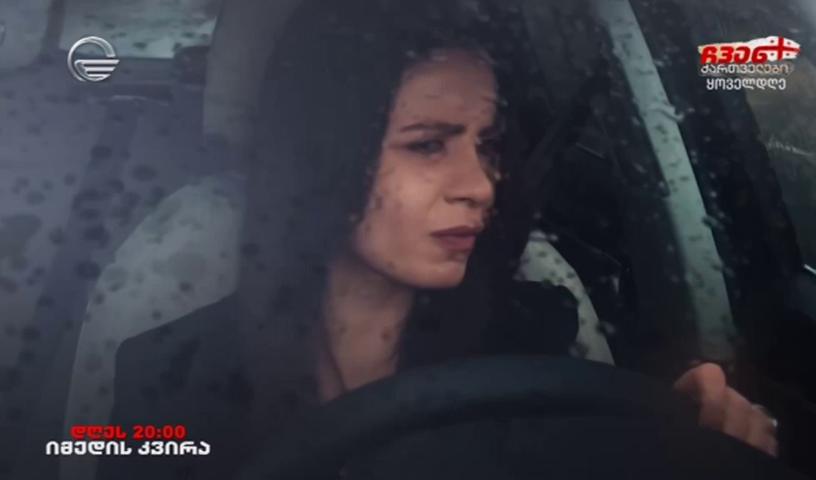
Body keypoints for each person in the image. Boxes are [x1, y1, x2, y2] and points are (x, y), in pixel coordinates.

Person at [96, 1, 777, 479]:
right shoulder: (170, 382)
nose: (480, 186)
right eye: (427, 146)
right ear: (321, 156)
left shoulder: (539, 338)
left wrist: (685, 439)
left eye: (487, 146)